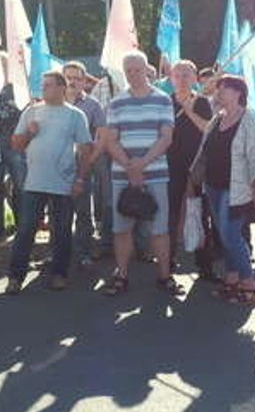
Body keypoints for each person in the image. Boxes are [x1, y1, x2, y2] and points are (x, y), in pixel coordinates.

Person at [101, 50, 181, 296]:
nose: (133, 75)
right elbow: (111, 140)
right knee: (122, 227)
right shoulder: (116, 103)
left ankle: (164, 276)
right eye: (128, 71)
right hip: (122, 175)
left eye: (137, 70)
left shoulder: (163, 100)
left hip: (155, 172)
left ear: (147, 69)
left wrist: (141, 164)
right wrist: (129, 166)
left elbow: (166, 138)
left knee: (159, 228)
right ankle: (122, 275)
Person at [5, 71, 93, 293]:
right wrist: (30, 134)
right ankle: (15, 277)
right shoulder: (31, 112)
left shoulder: (75, 115)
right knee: (26, 229)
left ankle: (59, 273)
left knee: (63, 230)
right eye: (43, 85)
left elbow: (85, 150)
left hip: (63, 183)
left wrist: (80, 179)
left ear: (62, 88)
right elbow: (16, 144)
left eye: (48, 85)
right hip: (34, 182)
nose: (43, 89)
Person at [202, 75, 255, 306]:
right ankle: (231, 280)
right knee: (225, 235)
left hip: (237, 188)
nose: (219, 93)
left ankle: (248, 284)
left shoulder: (250, 121)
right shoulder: (216, 119)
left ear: (238, 93)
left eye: (224, 89)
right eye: (218, 89)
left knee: (231, 234)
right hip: (213, 185)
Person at [165, 59, 216, 277]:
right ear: (171, 79)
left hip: (198, 164)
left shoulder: (202, 102)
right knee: (172, 213)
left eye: (186, 75)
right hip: (172, 163)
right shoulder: (165, 102)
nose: (182, 79)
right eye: (177, 75)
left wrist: (188, 109)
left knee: (202, 212)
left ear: (195, 78)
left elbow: (207, 129)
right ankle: (168, 263)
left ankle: (205, 265)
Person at [63, 60, 107, 266]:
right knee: (58, 212)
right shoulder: (50, 103)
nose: (72, 82)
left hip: (82, 165)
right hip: (56, 168)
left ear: (85, 82)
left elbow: (102, 135)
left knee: (82, 211)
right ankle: (58, 253)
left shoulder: (93, 105)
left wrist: (89, 159)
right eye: (68, 77)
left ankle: (84, 253)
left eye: (77, 78)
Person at [0, 54, 26, 240]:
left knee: (21, 186)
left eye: (3, 65)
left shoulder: (18, 89)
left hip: (15, 144)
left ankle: (22, 225)